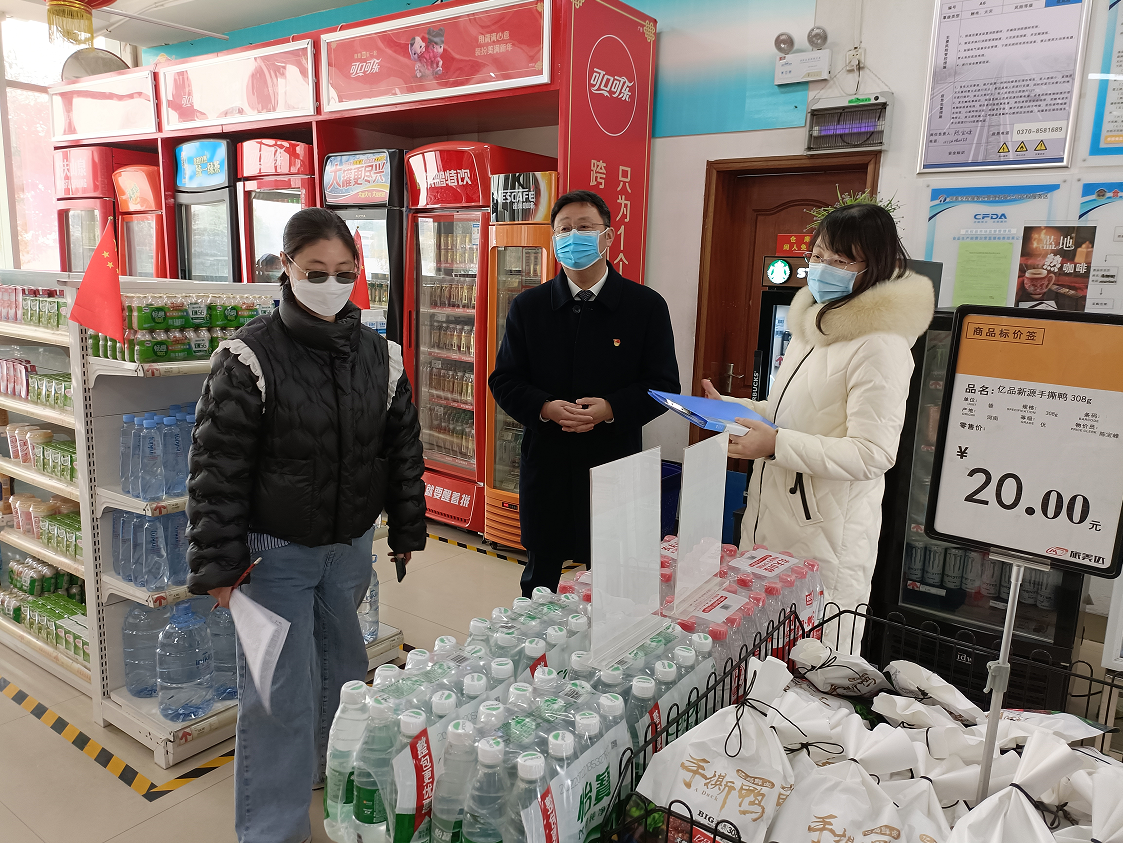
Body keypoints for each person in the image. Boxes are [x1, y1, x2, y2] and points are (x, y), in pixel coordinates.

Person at [185, 207, 426, 843]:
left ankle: (325, 774)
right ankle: (272, 829)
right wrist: (217, 566)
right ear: (286, 268)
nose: (330, 284)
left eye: (344, 272)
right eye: (316, 271)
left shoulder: (380, 355)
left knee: (343, 676)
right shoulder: (248, 356)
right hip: (275, 555)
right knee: (278, 695)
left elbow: (401, 449)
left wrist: (406, 529)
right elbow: (217, 468)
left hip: (348, 549)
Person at [703, 203, 934, 618]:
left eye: (840, 260)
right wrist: (732, 409)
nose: (823, 268)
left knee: (814, 648)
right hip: (773, 516)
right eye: (817, 255)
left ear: (875, 266)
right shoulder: (815, 327)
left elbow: (873, 453)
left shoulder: (880, 345)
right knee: (758, 639)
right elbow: (791, 411)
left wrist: (776, 445)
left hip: (826, 536)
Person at [489, 189, 680, 596]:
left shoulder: (645, 306)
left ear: (608, 236)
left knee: (612, 583)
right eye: (564, 229)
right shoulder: (529, 306)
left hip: (614, 464)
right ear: (553, 238)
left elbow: (664, 385)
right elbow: (504, 380)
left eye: (585, 227)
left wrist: (611, 408)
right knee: (539, 581)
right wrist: (545, 407)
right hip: (548, 464)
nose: (573, 236)